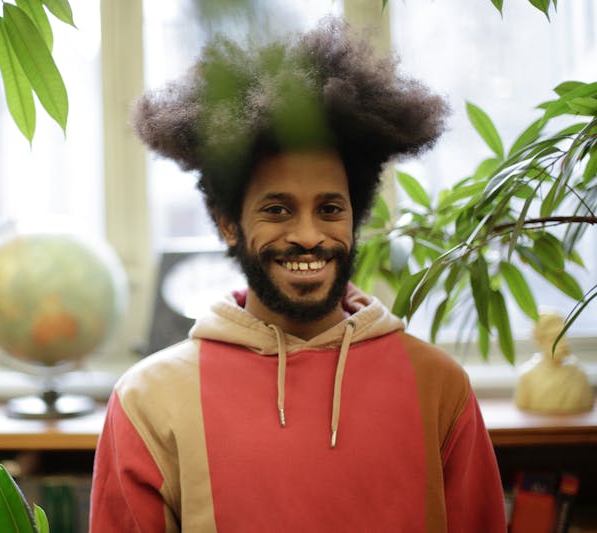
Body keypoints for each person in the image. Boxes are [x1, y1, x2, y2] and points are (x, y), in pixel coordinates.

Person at [90, 15, 506, 532]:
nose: (309, 235)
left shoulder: (439, 387)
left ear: (356, 219)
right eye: (277, 210)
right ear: (228, 224)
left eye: (330, 209)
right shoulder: (148, 400)